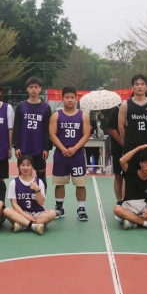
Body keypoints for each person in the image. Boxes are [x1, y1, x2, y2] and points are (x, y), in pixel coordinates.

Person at [49, 86, 91, 221]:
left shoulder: (83, 115)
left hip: (77, 155)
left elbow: (86, 135)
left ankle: (81, 209)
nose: (70, 100)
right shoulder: (56, 115)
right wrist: (63, 148)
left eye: (72, 97)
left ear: (76, 98)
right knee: (59, 182)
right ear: (62, 99)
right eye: (67, 97)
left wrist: (74, 148)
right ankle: (59, 208)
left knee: (80, 183)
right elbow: (52, 134)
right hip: (61, 155)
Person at [113, 145, 147, 230]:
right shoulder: (131, 172)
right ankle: (146, 224)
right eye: (146, 163)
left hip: (143, 209)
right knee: (117, 209)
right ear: (141, 163)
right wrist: (138, 148)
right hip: (129, 207)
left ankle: (132, 221)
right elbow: (122, 160)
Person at [13, 77, 52, 192]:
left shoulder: (46, 107)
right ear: (27, 89)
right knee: (23, 176)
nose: (33, 89)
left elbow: (47, 129)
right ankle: (22, 200)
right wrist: (16, 146)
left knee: (41, 177)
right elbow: (17, 127)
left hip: (39, 149)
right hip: (24, 148)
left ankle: (41, 199)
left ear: (40, 89)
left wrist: (46, 148)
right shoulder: (21, 106)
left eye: (36, 87)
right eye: (31, 87)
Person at [4, 155, 56, 235]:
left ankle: (22, 225)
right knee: (6, 210)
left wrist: (37, 189)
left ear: (32, 166)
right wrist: (25, 215)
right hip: (21, 214)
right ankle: (33, 226)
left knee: (52, 213)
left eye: (28, 165)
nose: (25, 168)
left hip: (37, 214)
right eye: (22, 165)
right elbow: (14, 204)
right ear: (18, 166)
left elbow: (41, 203)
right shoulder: (13, 183)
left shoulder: (39, 182)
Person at [118, 74, 147, 170]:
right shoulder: (125, 105)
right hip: (131, 146)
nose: (140, 87)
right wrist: (126, 141)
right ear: (132, 87)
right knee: (130, 174)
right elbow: (121, 126)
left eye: (142, 84)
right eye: (137, 84)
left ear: (146, 87)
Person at [107, 104, 124, 202]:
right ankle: (119, 201)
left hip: (134, 147)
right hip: (118, 148)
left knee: (131, 177)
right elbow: (112, 128)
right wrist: (123, 143)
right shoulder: (117, 109)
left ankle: (129, 201)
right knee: (119, 176)